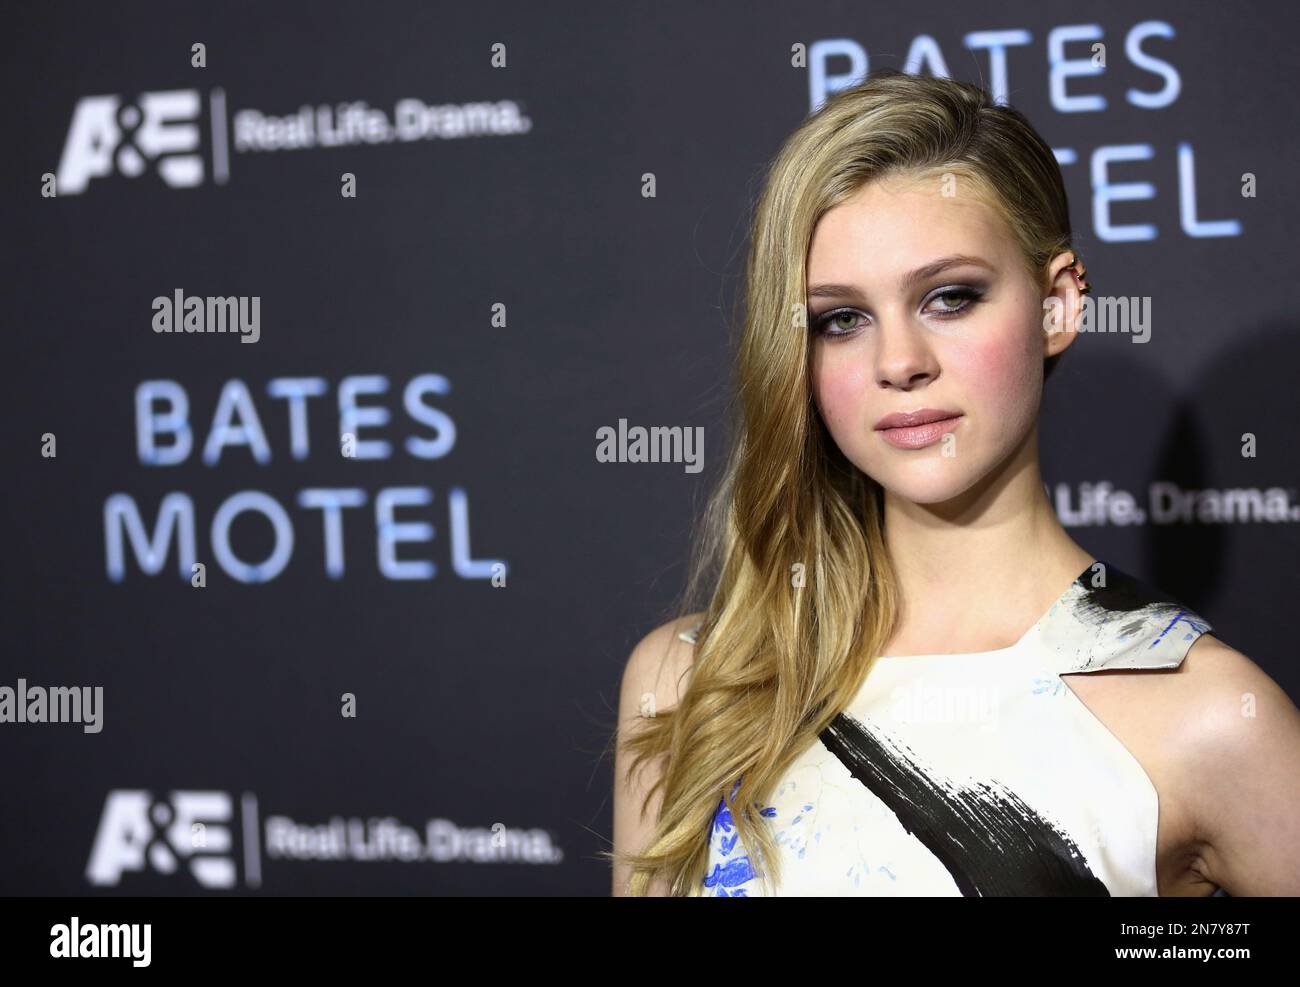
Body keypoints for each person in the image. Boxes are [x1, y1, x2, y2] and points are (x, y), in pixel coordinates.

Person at [607, 68, 1300, 897]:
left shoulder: (1206, 714)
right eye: (842, 319)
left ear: (1057, 305)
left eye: (949, 297)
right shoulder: (690, 684)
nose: (899, 363)